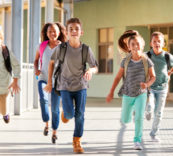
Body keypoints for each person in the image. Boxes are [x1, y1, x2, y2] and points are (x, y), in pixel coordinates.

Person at [44, 18, 98, 153]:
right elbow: (51, 63)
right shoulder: (61, 48)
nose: (74, 31)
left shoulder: (85, 49)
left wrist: (90, 71)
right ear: (67, 33)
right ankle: (66, 114)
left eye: (76, 29)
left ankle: (77, 141)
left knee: (80, 115)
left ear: (81, 32)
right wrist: (50, 82)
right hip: (64, 86)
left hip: (81, 86)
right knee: (69, 113)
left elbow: (95, 66)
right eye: (71, 29)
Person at [106, 30, 156, 150]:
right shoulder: (126, 61)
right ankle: (129, 114)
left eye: (137, 43)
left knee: (139, 117)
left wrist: (147, 84)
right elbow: (118, 77)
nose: (135, 46)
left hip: (141, 94)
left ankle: (137, 141)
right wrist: (111, 92)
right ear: (128, 47)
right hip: (127, 93)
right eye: (132, 44)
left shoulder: (146, 61)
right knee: (125, 119)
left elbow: (153, 77)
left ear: (142, 45)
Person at [34, 22, 66, 144]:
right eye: (49, 31)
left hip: (57, 82)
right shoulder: (41, 46)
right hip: (43, 78)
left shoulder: (63, 47)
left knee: (55, 108)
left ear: (59, 33)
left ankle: (54, 132)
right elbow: (36, 60)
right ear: (46, 33)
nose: (52, 33)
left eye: (54, 31)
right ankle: (46, 122)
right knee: (43, 100)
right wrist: (36, 69)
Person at [145, 31, 173, 142]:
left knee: (159, 113)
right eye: (154, 41)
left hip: (163, 88)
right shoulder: (146, 56)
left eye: (159, 41)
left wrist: (169, 72)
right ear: (151, 43)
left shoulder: (167, 56)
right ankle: (148, 111)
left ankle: (153, 134)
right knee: (150, 105)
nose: (157, 43)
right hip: (150, 87)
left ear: (163, 44)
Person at [0, 28, 20, 124]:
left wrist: (15, 80)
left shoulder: (5, 50)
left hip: (4, 85)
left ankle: (5, 114)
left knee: (3, 108)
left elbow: (16, 64)